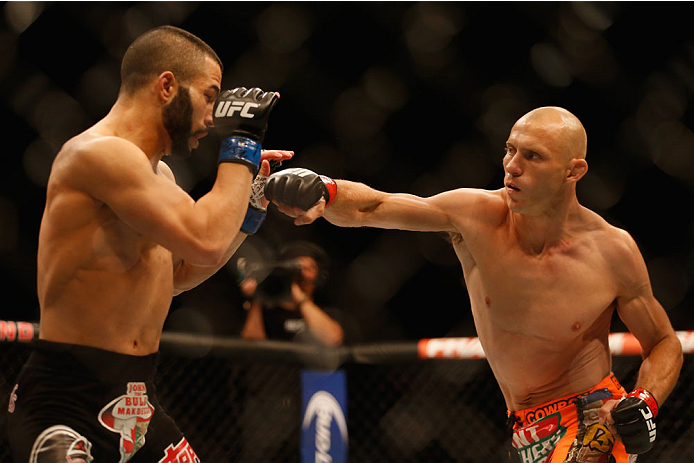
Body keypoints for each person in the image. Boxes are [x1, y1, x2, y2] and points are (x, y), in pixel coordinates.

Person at [263, 107, 683, 462]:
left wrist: (644, 400)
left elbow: (663, 342)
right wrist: (325, 191)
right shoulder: (477, 216)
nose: (512, 166)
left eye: (533, 156)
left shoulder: (611, 251)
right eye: (510, 150)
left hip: (592, 417)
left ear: (574, 171)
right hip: (523, 425)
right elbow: (377, 205)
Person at [6, 25, 293, 462]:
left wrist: (250, 206)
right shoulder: (99, 154)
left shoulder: (158, 177)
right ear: (166, 86)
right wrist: (243, 145)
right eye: (210, 96)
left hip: (134, 405)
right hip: (65, 404)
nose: (213, 117)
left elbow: (177, 274)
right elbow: (204, 239)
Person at [239, 241, 344, 347]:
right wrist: (257, 297)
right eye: (297, 268)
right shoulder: (267, 310)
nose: (303, 275)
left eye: (309, 268)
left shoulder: (325, 308)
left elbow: (332, 340)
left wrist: (301, 300)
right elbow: (252, 345)